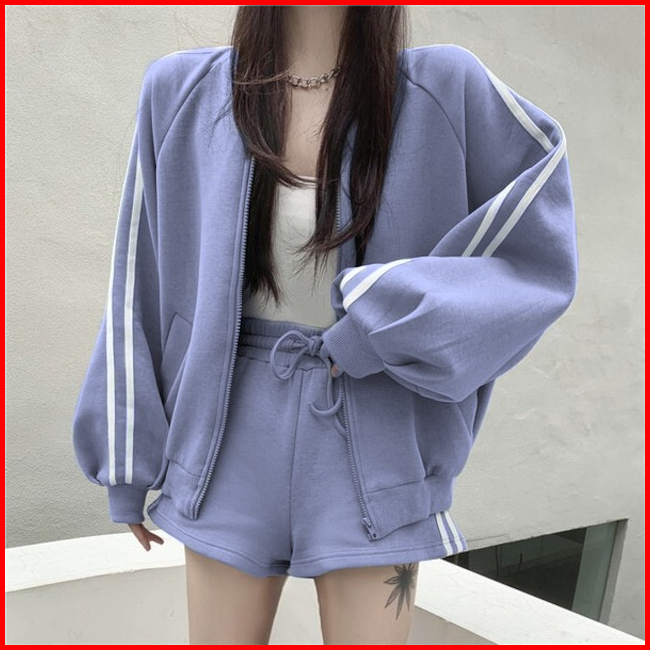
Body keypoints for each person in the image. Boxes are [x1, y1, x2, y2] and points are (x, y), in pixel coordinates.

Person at [71, 6, 578, 644]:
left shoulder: (446, 89)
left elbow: (536, 242)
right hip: (224, 441)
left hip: (377, 439)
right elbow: (137, 284)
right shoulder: (179, 93)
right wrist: (127, 464)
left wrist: (385, 322)